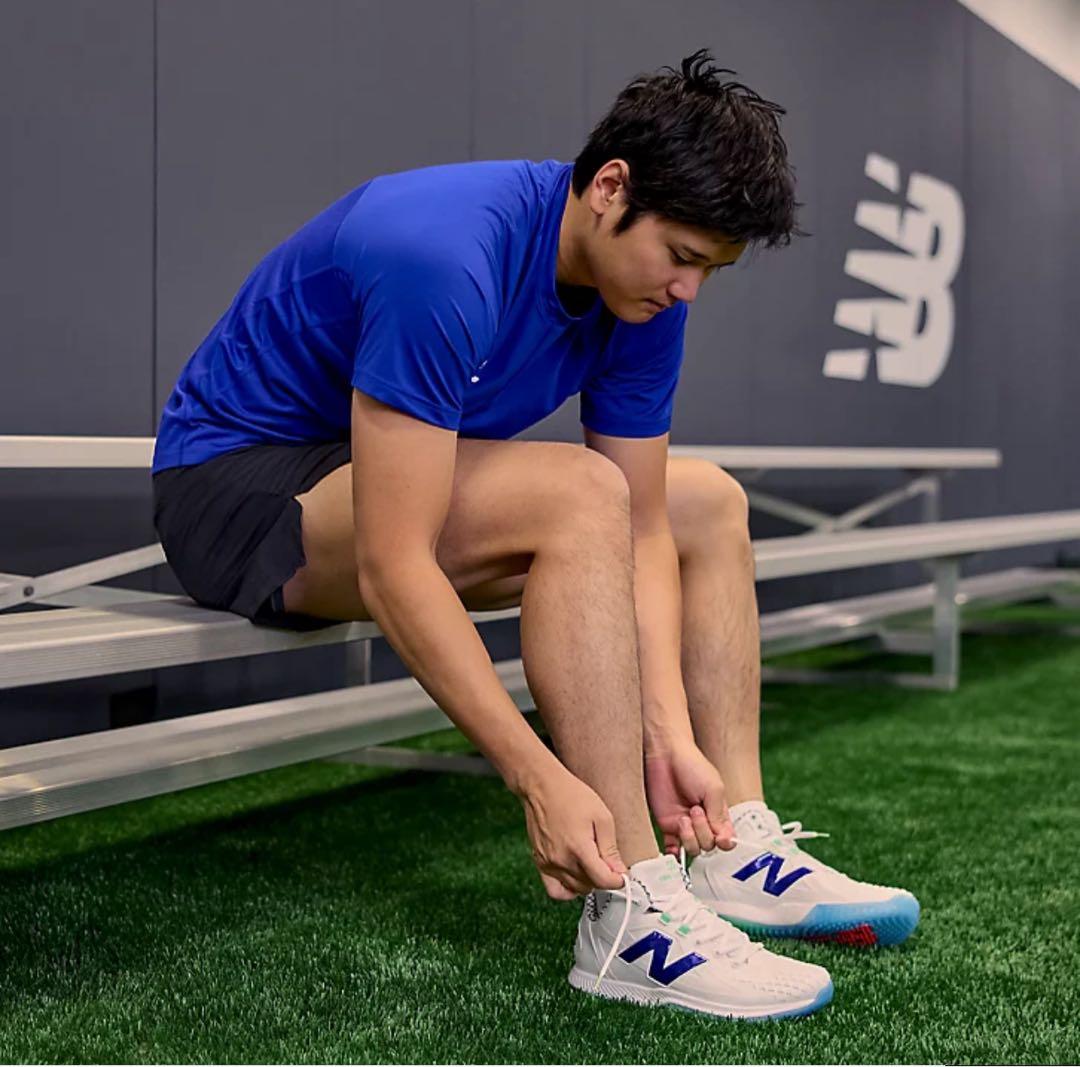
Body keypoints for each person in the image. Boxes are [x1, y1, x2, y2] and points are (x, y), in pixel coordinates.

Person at [151, 49, 917, 1021]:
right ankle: (630, 909)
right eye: (682, 256)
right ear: (610, 188)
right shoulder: (445, 250)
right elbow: (394, 562)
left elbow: (647, 530)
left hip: (373, 470)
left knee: (707, 502)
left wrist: (668, 737)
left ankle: (727, 838)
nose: (688, 290)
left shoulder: (646, 295)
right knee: (579, 492)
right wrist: (535, 774)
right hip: (238, 490)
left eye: (710, 270)